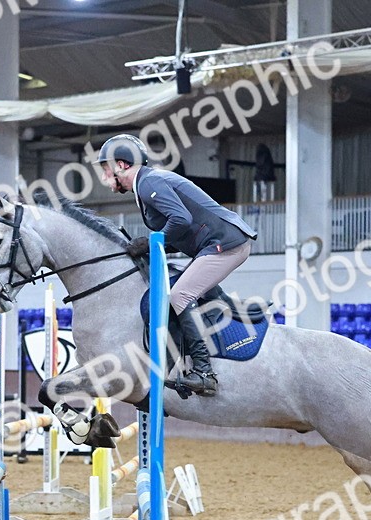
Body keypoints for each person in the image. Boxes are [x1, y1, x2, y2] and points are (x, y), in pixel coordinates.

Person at [95, 134, 256, 397]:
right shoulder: (146, 183)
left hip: (225, 243)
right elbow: (181, 231)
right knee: (183, 289)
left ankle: (204, 373)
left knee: (180, 295)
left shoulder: (148, 183)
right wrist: (150, 247)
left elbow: (181, 219)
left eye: (105, 168)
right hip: (216, 243)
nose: (104, 176)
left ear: (121, 165)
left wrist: (151, 242)